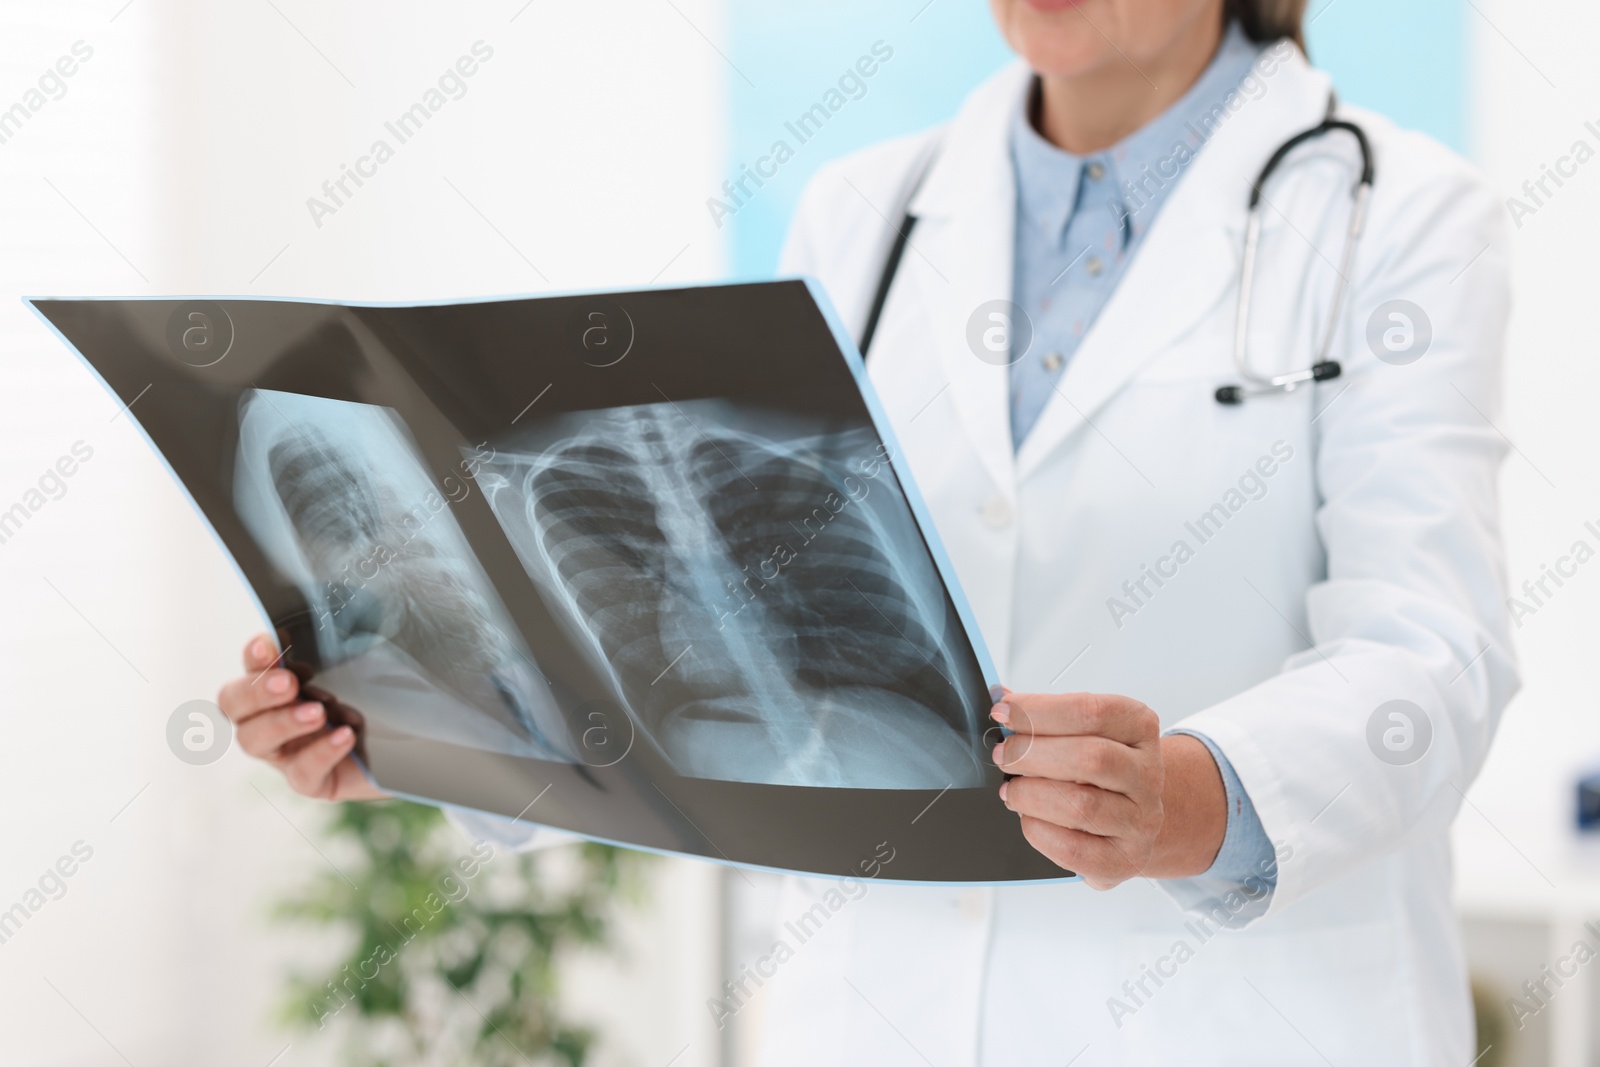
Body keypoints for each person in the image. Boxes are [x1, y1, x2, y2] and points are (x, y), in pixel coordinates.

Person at [217, 0, 1518, 1060]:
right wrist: (427, 728)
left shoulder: (1394, 217)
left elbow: (1432, 654)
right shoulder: (868, 212)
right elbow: (722, 665)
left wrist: (1197, 800)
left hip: (1237, 1025)